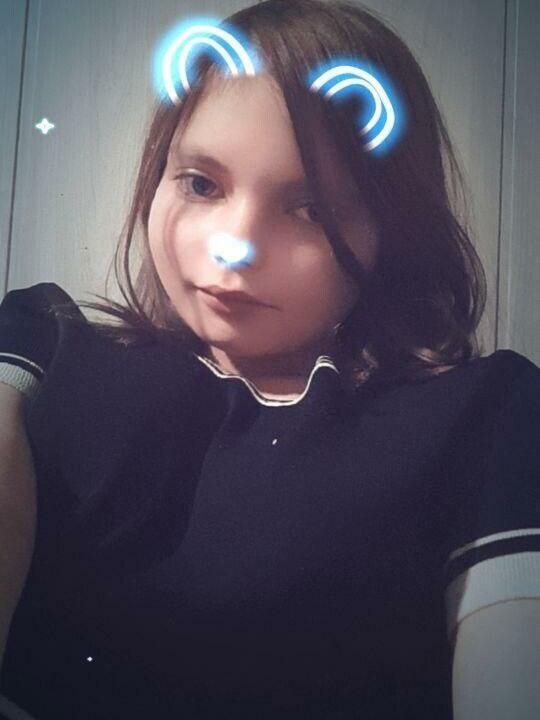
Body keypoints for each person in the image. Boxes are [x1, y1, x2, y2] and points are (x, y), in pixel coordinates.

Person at [0, 0, 539, 718]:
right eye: (201, 183)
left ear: (392, 226)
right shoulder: (46, 343)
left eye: (309, 208)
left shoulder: (487, 415)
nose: (236, 245)